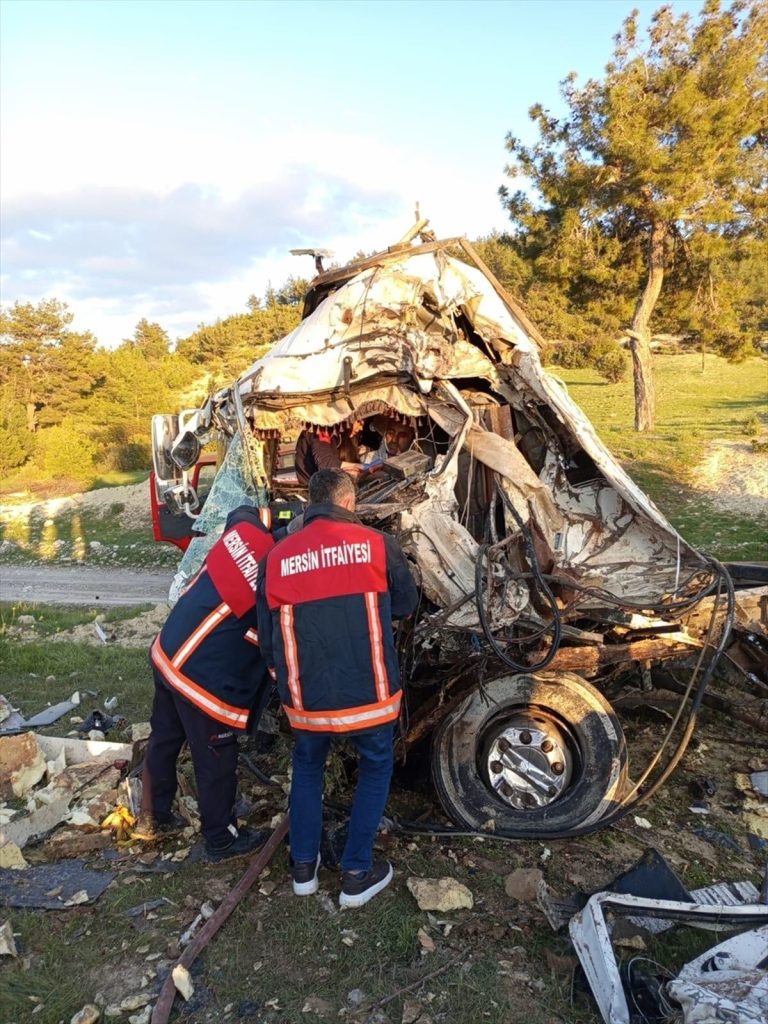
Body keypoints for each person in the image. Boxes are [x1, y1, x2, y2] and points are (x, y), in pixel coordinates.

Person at [257, 468, 418, 907]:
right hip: (371, 695)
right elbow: (406, 604)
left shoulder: (275, 557)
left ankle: (303, 871)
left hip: (306, 701)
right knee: (375, 767)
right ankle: (355, 874)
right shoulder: (377, 546)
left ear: (310, 505)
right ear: (349, 503)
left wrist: (284, 683)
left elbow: (267, 638)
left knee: (308, 769)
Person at [138, 505, 275, 860]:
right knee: (215, 755)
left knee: (165, 739)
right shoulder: (274, 573)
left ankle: (153, 815)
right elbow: (279, 645)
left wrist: (268, 517)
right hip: (201, 679)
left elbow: (240, 514)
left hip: (168, 652)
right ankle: (221, 838)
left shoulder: (241, 536)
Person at [294, 422, 363, 484]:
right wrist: (365, 467)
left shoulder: (336, 434)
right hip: (317, 491)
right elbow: (327, 464)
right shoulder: (319, 430)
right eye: (358, 422)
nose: (361, 428)